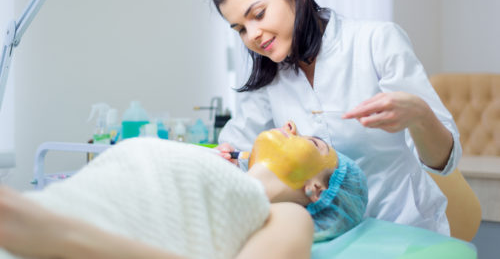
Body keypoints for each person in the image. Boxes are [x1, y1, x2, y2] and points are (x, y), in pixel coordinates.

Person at [210, 0, 462, 235]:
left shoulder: (376, 42)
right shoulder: (269, 79)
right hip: (326, 238)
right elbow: (237, 152)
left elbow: (446, 162)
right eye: (240, 29)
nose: (252, 34)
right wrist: (223, 163)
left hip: (405, 231)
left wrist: (419, 117)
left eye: (258, 14)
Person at [0, 121, 367, 259]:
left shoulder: (289, 218)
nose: (290, 125)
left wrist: (54, 235)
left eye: (313, 143)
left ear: (317, 190)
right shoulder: (210, 163)